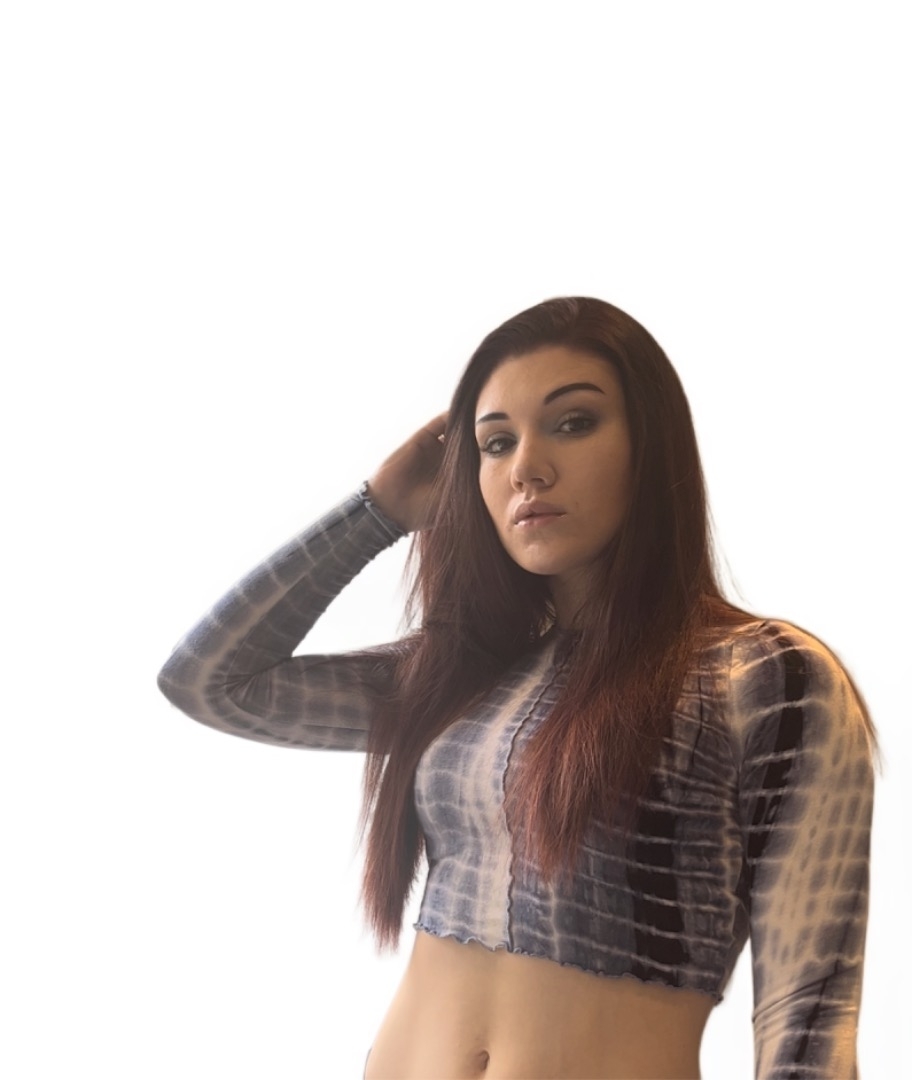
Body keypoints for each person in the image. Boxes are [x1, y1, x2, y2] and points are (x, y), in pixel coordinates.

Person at [157, 296, 878, 1079]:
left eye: (573, 423)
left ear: (651, 444)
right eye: (496, 443)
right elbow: (211, 681)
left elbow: (808, 1011)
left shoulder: (765, 677)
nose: (526, 467)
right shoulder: (462, 676)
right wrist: (378, 512)